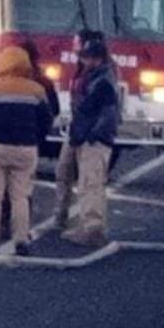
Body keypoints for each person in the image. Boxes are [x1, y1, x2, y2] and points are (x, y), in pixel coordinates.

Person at [0, 47, 52, 256]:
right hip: (25, 148)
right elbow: (46, 121)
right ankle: (22, 241)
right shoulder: (37, 90)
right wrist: (35, 139)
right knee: (21, 196)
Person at [62, 40, 118, 248]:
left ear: (97, 58)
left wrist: (91, 135)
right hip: (92, 138)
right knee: (89, 183)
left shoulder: (100, 82)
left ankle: (92, 228)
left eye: (87, 57)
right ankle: (90, 226)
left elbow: (105, 114)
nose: (84, 61)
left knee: (90, 184)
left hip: (94, 140)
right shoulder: (101, 78)